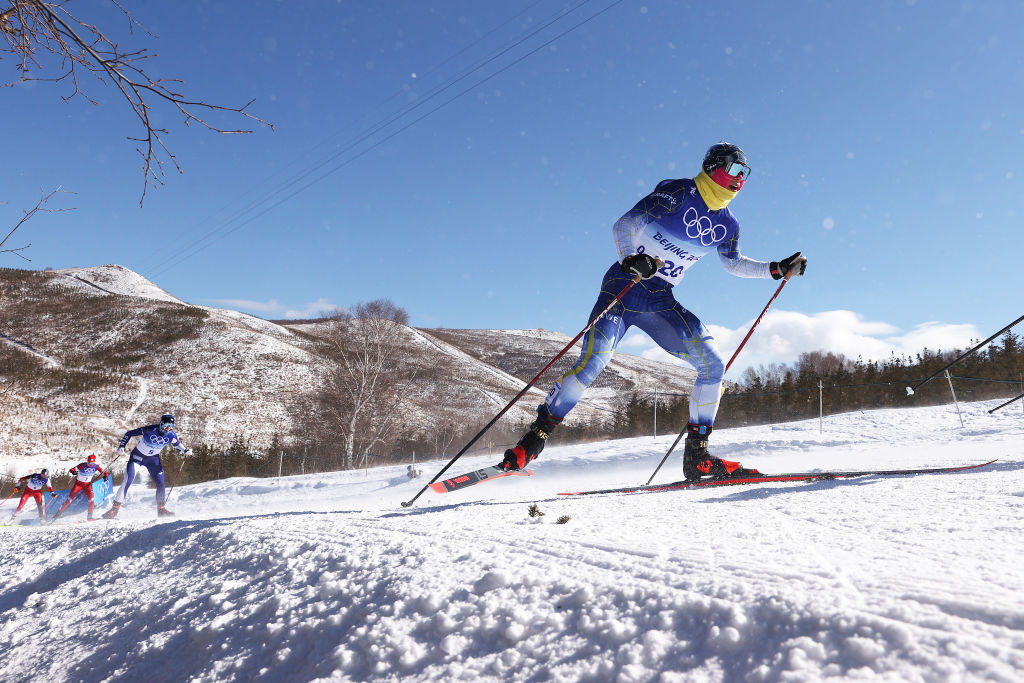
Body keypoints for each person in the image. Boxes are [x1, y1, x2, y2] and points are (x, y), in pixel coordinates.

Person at [498, 142, 807, 480]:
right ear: (714, 167)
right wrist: (632, 259)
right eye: (734, 169)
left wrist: (776, 269)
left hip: (659, 299)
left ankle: (698, 457)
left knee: (713, 365)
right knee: (592, 364)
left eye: (745, 173)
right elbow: (624, 225)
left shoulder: (729, 224)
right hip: (624, 286)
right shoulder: (678, 192)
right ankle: (532, 441)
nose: (740, 179)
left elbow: (733, 264)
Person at [103, 413, 192, 518]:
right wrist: (122, 446)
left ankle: (161, 510)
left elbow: (177, 444)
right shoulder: (150, 429)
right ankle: (114, 510)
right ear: (161, 423)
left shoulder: (171, 435)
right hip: (137, 457)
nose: (168, 428)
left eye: (171, 426)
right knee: (127, 481)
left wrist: (185, 450)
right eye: (166, 425)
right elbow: (129, 433)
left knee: (160, 483)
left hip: (153, 460)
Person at [54, 454, 110, 521]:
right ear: (87, 461)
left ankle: (89, 517)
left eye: (92, 463)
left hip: (87, 486)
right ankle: (57, 515)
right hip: (78, 485)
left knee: (92, 500)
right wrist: (73, 471)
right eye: (89, 462)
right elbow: (71, 469)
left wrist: (105, 476)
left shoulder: (96, 467)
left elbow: (105, 472)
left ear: (94, 462)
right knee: (69, 500)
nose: (90, 464)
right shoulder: (82, 465)